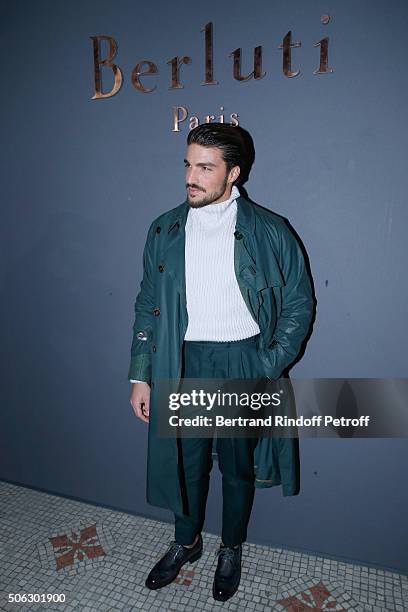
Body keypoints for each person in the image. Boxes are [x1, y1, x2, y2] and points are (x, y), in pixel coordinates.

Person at [128, 123, 314, 602]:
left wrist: (267, 363)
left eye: (205, 168)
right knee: (185, 465)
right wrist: (141, 374)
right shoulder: (164, 228)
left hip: (242, 360)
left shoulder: (270, 230)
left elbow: (298, 304)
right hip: (183, 360)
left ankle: (229, 548)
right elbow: (148, 301)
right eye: (188, 165)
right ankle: (186, 542)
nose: (191, 176)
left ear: (233, 173)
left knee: (238, 467)